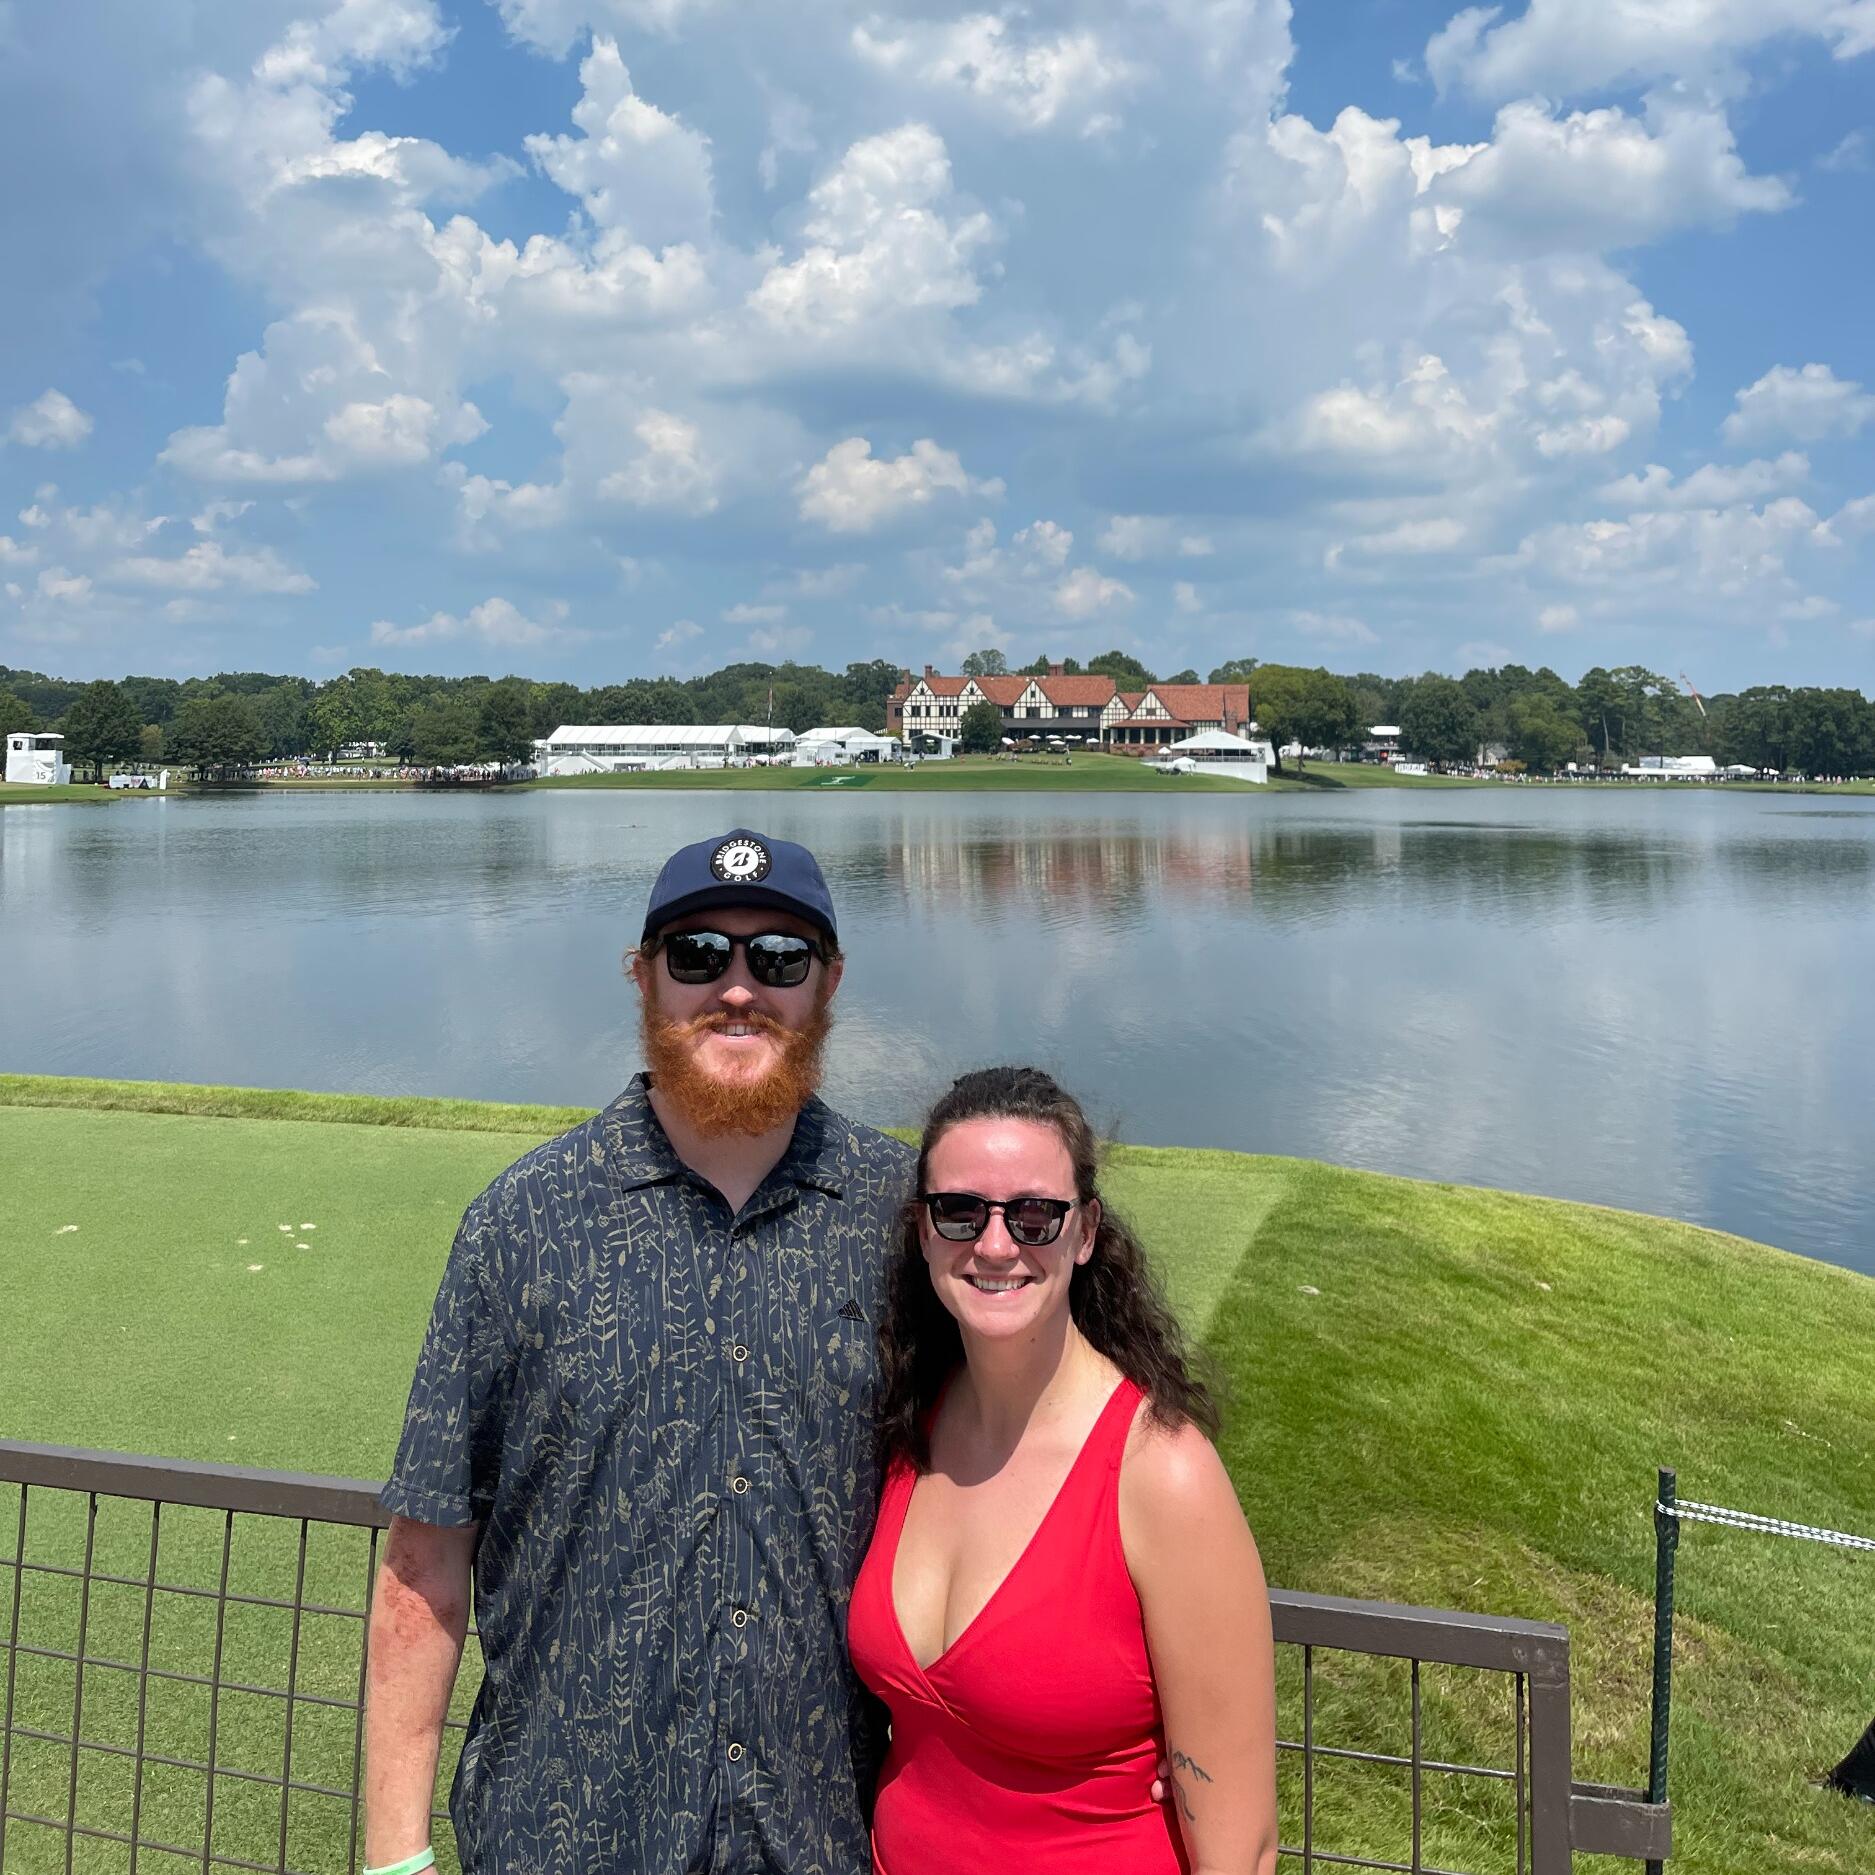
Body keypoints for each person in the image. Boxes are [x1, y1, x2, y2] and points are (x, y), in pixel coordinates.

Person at [364, 828, 917, 1875]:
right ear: (644, 976)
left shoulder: (901, 1219)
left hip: (819, 1839)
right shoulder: (523, 1223)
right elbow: (424, 1564)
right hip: (560, 1837)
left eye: (780, 960)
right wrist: (395, 1858)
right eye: (699, 957)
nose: (739, 989)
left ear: (829, 981)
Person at [849, 1066, 1280, 1874]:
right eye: (959, 1210)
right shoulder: (911, 1423)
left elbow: (1241, 1848)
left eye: (1035, 1214)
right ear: (922, 1229)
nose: (995, 1243)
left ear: (1084, 1233)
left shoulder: (1161, 1472)